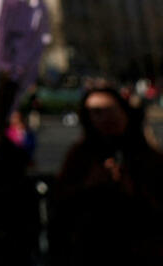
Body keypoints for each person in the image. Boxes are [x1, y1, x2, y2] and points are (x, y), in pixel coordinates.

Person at [51, 85, 163, 264]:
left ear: (124, 111)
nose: (105, 118)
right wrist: (88, 185)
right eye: (95, 112)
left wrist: (133, 190)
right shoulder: (80, 157)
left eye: (109, 110)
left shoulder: (148, 157)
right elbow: (60, 206)